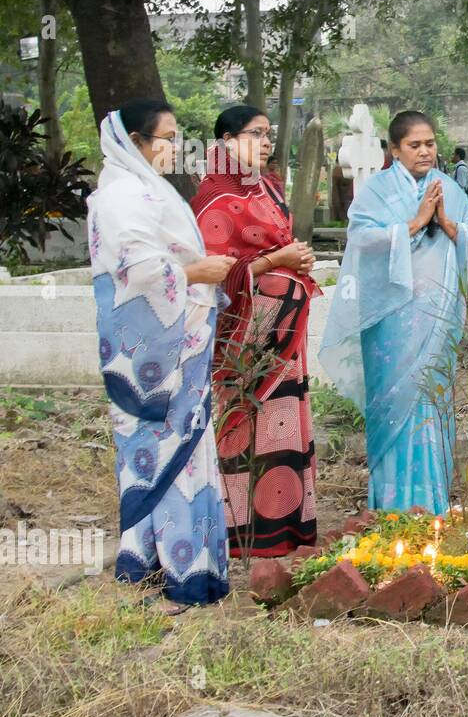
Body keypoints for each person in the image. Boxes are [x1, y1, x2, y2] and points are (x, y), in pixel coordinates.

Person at [87, 99, 233, 611]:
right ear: (135, 141)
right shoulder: (122, 195)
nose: (175, 147)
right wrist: (198, 274)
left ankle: (177, 564)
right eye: (166, 138)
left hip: (182, 345)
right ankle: (172, 569)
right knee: (166, 453)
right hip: (153, 356)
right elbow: (137, 271)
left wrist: (200, 273)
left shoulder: (150, 190)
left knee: (187, 453)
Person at [320, 111, 468, 513]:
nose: (425, 151)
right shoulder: (376, 191)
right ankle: (392, 507)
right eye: (415, 145)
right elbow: (360, 240)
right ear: (394, 150)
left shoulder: (449, 188)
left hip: (436, 318)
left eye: (430, 143)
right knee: (395, 406)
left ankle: (433, 504)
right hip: (390, 322)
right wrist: (413, 224)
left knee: (431, 402)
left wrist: (447, 223)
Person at [190, 105, 321, 558]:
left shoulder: (264, 187)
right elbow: (218, 273)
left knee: (284, 423)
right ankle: (242, 530)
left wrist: (296, 259)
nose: (267, 142)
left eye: (269, 134)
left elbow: (276, 248)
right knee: (248, 421)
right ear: (226, 141)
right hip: (246, 338)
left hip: (284, 332)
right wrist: (278, 261)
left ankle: (286, 527)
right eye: (255, 134)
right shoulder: (214, 196)